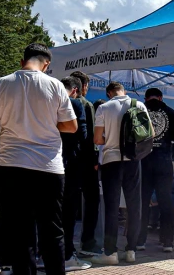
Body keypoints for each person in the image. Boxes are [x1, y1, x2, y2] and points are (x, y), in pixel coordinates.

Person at [0, 43, 83, 274]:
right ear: (46, 64)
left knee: (20, 233)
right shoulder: (56, 85)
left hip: (12, 165)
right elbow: (71, 126)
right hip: (50, 168)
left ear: (22, 61)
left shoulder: (1, 84)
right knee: (53, 231)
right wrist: (48, 122)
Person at [88, 82, 150, 265]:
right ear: (125, 92)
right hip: (134, 160)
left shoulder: (104, 108)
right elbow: (147, 135)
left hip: (111, 161)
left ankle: (110, 252)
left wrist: (112, 139)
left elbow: (98, 139)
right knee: (134, 206)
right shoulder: (139, 105)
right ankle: (131, 250)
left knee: (112, 208)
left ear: (109, 93)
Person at [136, 88, 174, 253]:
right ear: (161, 98)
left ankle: (140, 241)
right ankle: (167, 242)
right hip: (164, 162)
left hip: (144, 162)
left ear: (146, 98)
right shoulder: (170, 112)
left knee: (142, 202)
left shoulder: (139, 110)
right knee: (166, 202)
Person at [69, 71, 100, 257]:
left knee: (68, 205)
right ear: (83, 87)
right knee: (92, 202)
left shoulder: (61, 102)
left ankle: (66, 245)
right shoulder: (86, 105)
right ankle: (88, 243)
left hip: (67, 160)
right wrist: (95, 160)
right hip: (86, 162)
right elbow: (90, 137)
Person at [58, 76, 87, 262]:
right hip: (70, 162)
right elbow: (83, 134)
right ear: (75, 90)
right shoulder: (75, 104)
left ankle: (43, 252)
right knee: (68, 211)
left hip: (47, 160)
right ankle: (67, 253)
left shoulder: (48, 101)